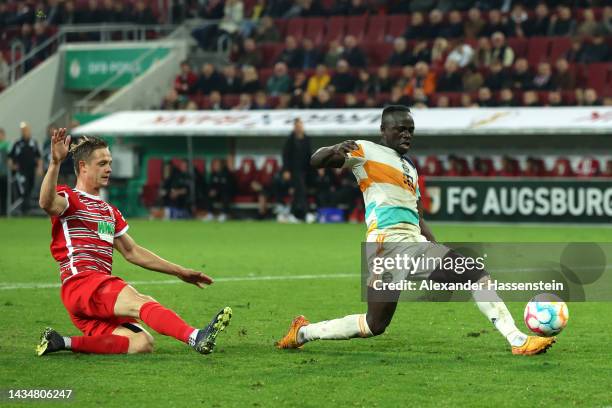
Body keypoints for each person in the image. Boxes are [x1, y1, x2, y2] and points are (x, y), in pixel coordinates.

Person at [276, 106, 555, 356]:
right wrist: (337, 147)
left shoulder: (410, 167)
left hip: (412, 242)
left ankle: (301, 333)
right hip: (387, 243)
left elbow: (416, 212)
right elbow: (316, 160)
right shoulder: (364, 151)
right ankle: (517, 339)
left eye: (411, 130)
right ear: (383, 131)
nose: (407, 135)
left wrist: (434, 243)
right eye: (400, 129)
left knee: (467, 279)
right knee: (381, 320)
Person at [36, 129, 232, 356]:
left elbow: (132, 251)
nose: (109, 168)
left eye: (109, 162)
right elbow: (46, 202)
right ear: (83, 167)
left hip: (89, 296)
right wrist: (54, 164)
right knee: (140, 301)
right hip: (83, 283)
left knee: (141, 343)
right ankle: (196, 336)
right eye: (101, 163)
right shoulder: (70, 199)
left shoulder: (109, 212)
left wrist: (180, 271)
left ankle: (62, 342)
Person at [281, 118, 312, 221]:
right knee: (301, 190)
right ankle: (306, 214)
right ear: (294, 127)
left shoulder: (307, 139)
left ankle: (293, 214)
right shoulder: (290, 140)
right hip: (294, 170)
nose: (299, 128)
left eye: (300, 126)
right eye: (297, 126)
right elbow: (286, 156)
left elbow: (309, 155)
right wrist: (286, 170)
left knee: (298, 192)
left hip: (305, 171)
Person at [9, 122, 42, 215]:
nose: (25, 132)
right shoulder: (17, 143)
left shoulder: (33, 143)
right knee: (24, 188)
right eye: (23, 130)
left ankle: (26, 208)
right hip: (21, 172)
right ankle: (25, 210)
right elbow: (11, 157)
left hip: (31, 171)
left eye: (26, 130)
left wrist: (39, 168)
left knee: (30, 188)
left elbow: (38, 157)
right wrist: (13, 166)